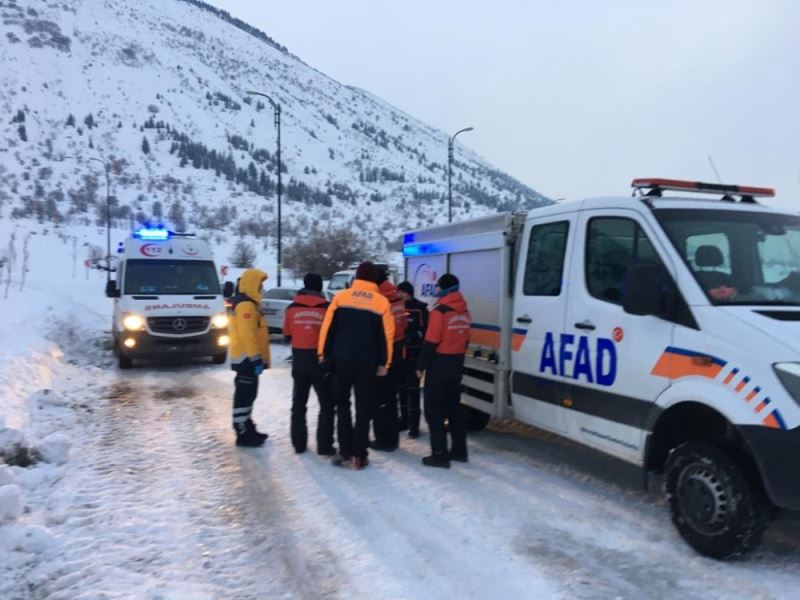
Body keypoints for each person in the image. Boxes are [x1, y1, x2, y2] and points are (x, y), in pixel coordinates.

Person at [318, 262, 394, 470]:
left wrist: (323, 354)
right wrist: (384, 363)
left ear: (356, 277)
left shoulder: (340, 298)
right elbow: (387, 336)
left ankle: (344, 452)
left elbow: (327, 328)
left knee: (342, 406)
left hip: (341, 362)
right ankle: (360, 455)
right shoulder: (381, 303)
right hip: (367, 365)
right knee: (364, 409)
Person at [417, 273, 471, 468]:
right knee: (454, 409)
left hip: (439, 364)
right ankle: (459, 451)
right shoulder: (464, 311)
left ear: (444, 288)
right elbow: (466, 339)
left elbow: (431, 341)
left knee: (434, 411)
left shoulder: (440, 312)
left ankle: (439, 455)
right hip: (457, 363)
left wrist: (420, 366)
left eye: (438, 287)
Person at [283, 273, 336, 455]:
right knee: (327, 403)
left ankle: (299, 444)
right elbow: (331, 336)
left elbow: (287, 334)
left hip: (299, 359)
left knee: (299, 403)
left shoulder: (291, 308)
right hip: (319, 361)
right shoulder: (326, 308)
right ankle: (324, 445)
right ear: (320, 287)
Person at [228, 268, 271, 447]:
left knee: (249, 395)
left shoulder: (250, 304)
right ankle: (242, 431)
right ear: (252, 284)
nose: (261, 287)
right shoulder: (246, 306)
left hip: (249, 359)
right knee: (244, 396)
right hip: (246, 359)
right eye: (260, 284)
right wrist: (255, 358)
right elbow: (248, 334)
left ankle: (247, 425)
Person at [370, 269, 408, 451]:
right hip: (398, 352)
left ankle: (383, 439)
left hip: (384, 354)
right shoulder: (398, 299)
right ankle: (392, 438)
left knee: (380, 399)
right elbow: (404, 325)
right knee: (392, 398)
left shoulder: (380, 301)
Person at [396, 281, 429, 438]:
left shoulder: (419, 309)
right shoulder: (397, 307)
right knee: (401, 388)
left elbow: (425, 331)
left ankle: (414, 425)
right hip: (400, 354)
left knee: (413, 391)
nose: (399, 295)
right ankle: (403, 419)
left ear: (408, 293)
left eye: (402, 292)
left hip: (413, 354)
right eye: (398, 292)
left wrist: (413, 336)